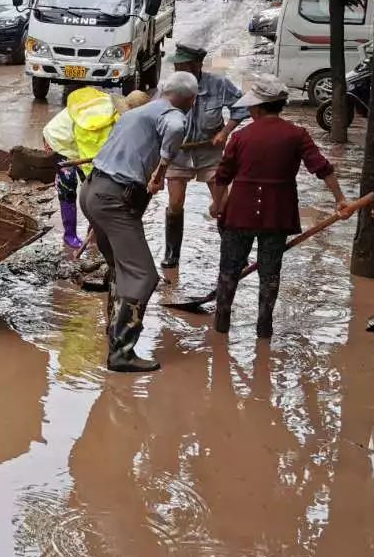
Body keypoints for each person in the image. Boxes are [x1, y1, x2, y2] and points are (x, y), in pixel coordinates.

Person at [213, 73, 351, 339]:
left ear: (257, 107)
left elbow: (222, 176)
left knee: (229, 270)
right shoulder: (297, 134)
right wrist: (339, 199)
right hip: (277, 214)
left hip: (239, 213)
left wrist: (218, 205)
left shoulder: (241, 137)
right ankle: (264, 328)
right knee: (270, 273)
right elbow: (322, 168)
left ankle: (221, 326)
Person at [79, 71, 199, 373]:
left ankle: (113, 332)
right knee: (144, 275)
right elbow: (175, 126)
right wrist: (162, 168)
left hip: (92, 192)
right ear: (190, 100)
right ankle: (121, 352)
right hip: (114, 200)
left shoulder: (136, 113)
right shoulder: (173, 115)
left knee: (121, 269)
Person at [161, 43, 242, 270]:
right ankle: (172, 253)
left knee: (223, 204)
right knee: (175, 203)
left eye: (182, 65)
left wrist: (225, 132)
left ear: (197, 65)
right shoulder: (169, 86)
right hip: (178, 153)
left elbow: (242, 107)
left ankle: (230, 252)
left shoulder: (219, 84)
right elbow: (156, 117)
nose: (177, 68)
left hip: (209, 152)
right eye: (176, 65)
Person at [43, 87, 149, 250]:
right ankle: (69, 235)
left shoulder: (116, 115)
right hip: (60, 141)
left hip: (80, 140)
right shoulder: (98, 122)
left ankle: (93, 231)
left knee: (93, 189)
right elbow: (92, 163)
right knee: (69, 186)